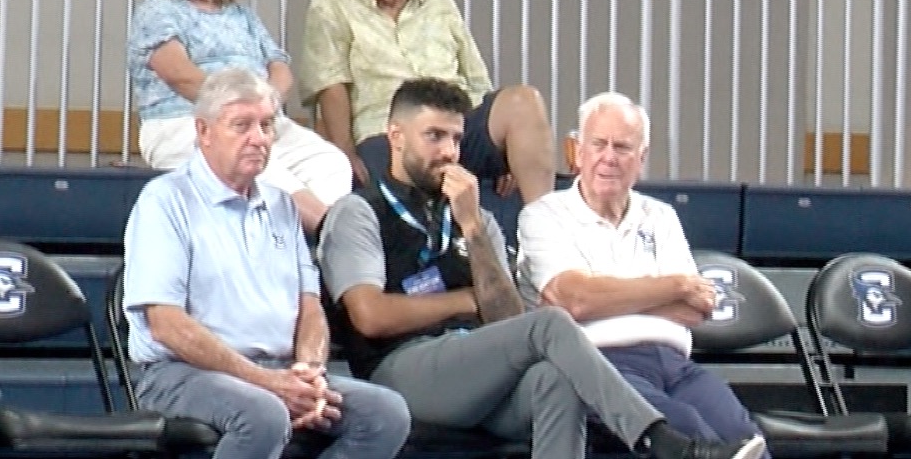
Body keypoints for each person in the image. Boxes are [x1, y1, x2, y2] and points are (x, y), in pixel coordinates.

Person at [316, 79, 763, 459]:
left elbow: (508, 318)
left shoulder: (471, 212)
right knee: (549, 325)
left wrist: (472, 228)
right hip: (404, 366)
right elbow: (371, 317)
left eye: (456, 138)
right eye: (433, 136)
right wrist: (465, 299)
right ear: (395, 136)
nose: (449, 152)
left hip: (477, 362)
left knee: (557, 381)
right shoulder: (360, 211)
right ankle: (659, 440)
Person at [123, 67, 411, 459]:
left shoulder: (281, 205)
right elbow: (167, 325)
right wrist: (267, 382)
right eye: (241, 125)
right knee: (264, 414)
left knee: (386, 414)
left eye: (266, 125)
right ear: (203, 132)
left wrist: (307, 374)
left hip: (278, 369)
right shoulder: (165, 201)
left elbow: (309, 307)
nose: (258, 138)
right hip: (183, 373)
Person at [518, 93, 761, 446]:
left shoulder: (660, 216)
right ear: (577, 152)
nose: (609, 158)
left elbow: (694, 308)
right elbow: (576, 301)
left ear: (641, 158)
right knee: (689, 432)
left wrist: (611, 294)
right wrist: (674, 284)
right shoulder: (544, 215)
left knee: (744, 436)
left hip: (676, 364)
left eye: (623, 148)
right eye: (598, 144)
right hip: (598, 364)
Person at [299, 0, 556, 205]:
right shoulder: (332, 2)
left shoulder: (439, 2)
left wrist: (506, 151)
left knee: (524, 100)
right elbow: (331, 84)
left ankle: (542, 227)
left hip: (457, 124)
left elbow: (476, 79)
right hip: (389, 131)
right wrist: (344, 150)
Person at [129, 0, 353, 230]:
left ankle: (316, 242)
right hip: (188, 122)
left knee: (329, 162)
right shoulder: (158, 8)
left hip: (260, 119)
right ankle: (330, 234)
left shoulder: (241, 14)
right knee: (262, 167)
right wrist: (237, 108)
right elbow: (178, 73)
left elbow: (278, 66)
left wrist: (269, 101)